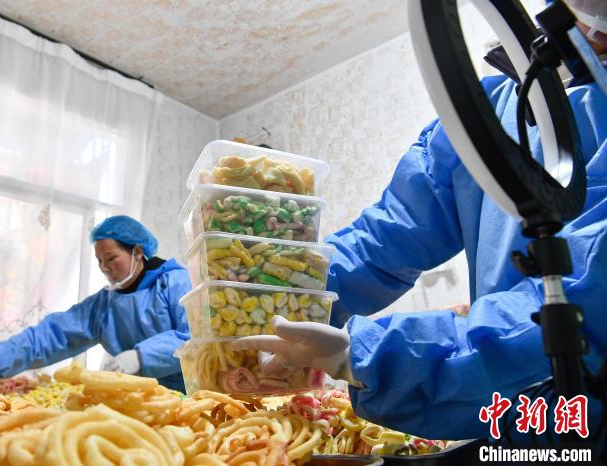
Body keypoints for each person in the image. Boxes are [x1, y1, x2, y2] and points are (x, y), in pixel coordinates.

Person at [235, 2, 607, 441]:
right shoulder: (496, 106)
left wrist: (365, 354)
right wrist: (280, 290)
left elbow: (584, 302)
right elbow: (389, 235)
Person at [0, 215, 191, 392]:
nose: (104, 267)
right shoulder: (104, 305)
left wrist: (142, 357)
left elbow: (194, 337)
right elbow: (56, 334)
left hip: (189, 397)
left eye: (111, 258)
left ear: (138, 252)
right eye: (99, 261)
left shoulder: (176, 282)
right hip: (137, 399)